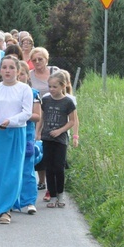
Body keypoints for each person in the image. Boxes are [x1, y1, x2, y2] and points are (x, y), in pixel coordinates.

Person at [0, 56, 33, 224]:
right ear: (0, 70)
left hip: (16, 132)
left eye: (11, 67)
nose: (8, 70)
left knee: (13, 171)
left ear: (17, 71)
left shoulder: (24, 89)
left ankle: (6, 209)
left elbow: (27, 113)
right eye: (4, 67)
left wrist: (10, 121)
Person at [37, 70, 79, 209]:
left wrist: (60, 131)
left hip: (60, 139)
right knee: (49, 167)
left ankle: (60, 194)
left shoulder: (68, 102)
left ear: (62, 86)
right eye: (50, 86)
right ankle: (53, 195)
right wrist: (38, 132)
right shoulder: (46, 100)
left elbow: (72, 121)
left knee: (59, 167)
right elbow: (42, 117)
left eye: (55, 87)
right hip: (47, 138)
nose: (51, 89)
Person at [29, 46, 58, 193]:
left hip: (55, 116)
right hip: (37, 115)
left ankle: (53, 183)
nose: (38, 62)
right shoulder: (29, 75)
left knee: (53, 149)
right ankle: (41, 180)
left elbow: (66, 89)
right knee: (38, 148)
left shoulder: (55, 72)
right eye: (34, 60)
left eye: (40, 59)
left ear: (46, 59)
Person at [14, 60, 41, 214]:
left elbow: (37, 116)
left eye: (22, 74)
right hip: (10, 134)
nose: (19, 76)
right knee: (12, 168)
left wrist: (20, 116)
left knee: (27, 168)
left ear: (27, 76)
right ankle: (12, 200)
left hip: (26, 134)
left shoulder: (33, 93)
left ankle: (29, 201)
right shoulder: (6, 92)